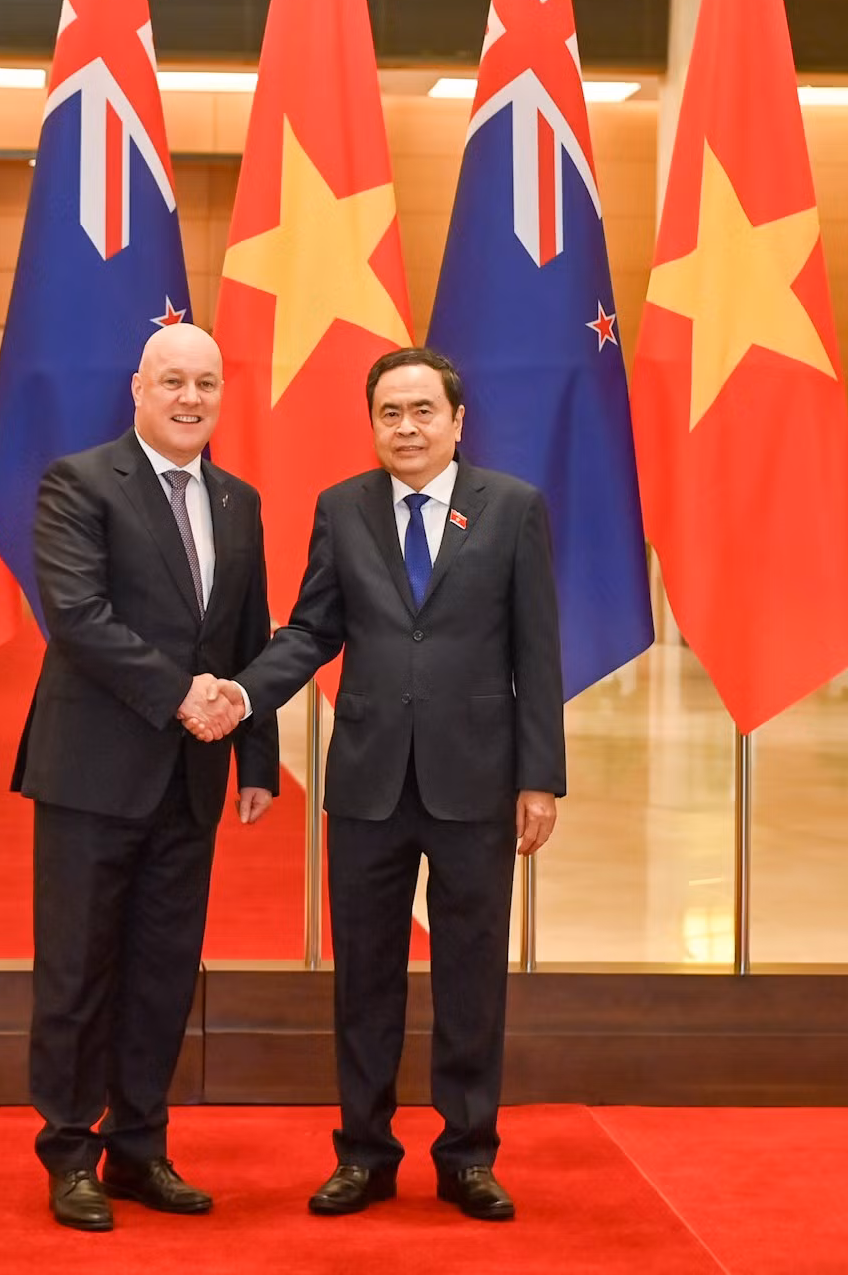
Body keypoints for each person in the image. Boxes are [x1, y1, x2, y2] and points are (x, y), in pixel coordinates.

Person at [187, 345, 565, 1221]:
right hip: (366, 783)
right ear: (372, 423)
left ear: (457, 421)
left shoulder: (510, 510)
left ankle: (468, 1153)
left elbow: (537, 654)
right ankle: (364, 1152)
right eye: (390, 413)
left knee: (472, 974)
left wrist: (540, 777)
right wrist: (245, 693)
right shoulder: (343, 509)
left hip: (477, 781)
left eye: (423, 411)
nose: (407, 427)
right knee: (364, 975)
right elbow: (312, 630)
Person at [14, 321, 277, 1232]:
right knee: (80, 969)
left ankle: (139, 1147)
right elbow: (78, 617)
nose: (190, 399)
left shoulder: (239, 501)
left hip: (195, 777)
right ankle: (69, 1152)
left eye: (205, 383)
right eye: (173, 382)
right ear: (138, 389)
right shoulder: (80, 483)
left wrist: (257, 753)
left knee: (165, 970)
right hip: (92, 772)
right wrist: (183, 697)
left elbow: (251, 635)